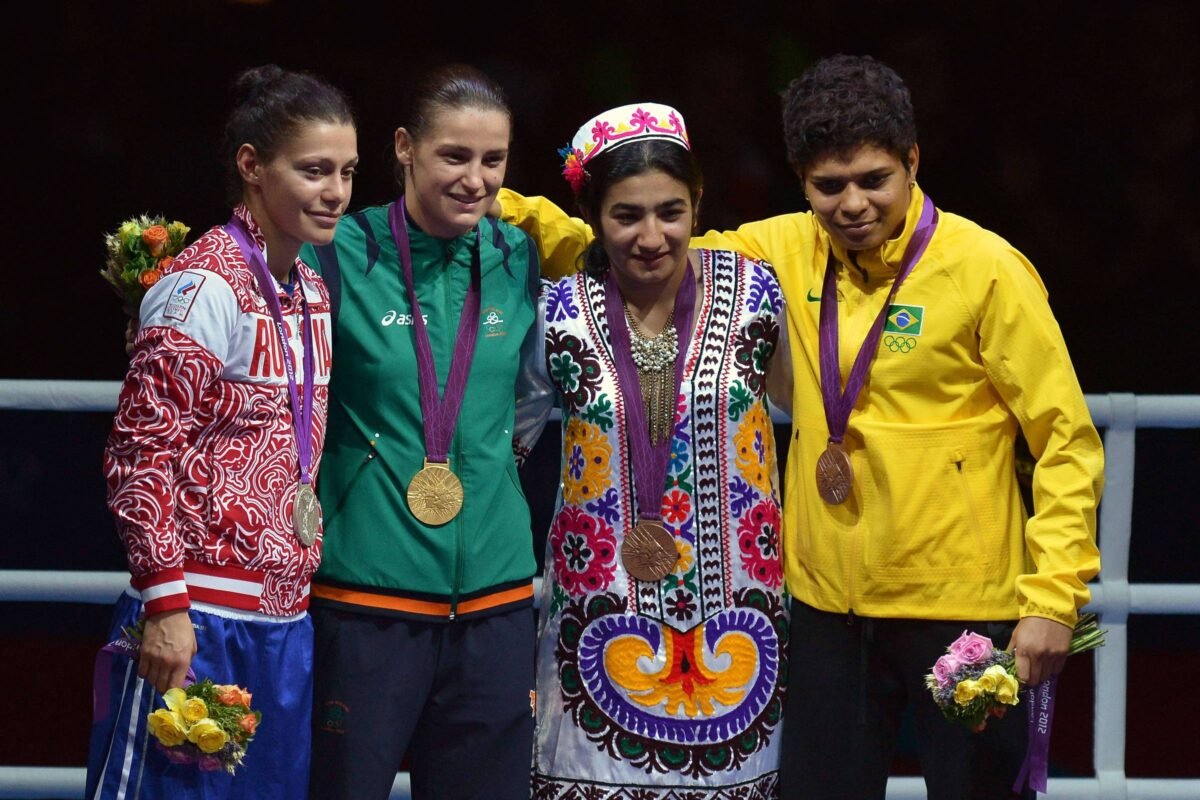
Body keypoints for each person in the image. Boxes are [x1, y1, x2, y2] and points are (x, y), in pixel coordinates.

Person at [498, 55, 1103, 800]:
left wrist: (1053, 600)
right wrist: (484, 199)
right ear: (802, 181)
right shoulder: (779, 252)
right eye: (829, 186)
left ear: (913, 162)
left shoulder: (987, 269)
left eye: (874, 179)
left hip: (964, 609)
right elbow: (642, 247)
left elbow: (1065, 439)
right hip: (825, 614)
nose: (853, 204)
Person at [86, 64, 357, 800]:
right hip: (198, 617)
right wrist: (166, 605)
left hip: (284, 622)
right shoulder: (203, 285)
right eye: (314, 170)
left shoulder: (310, 290)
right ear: (252, 167)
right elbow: (139, 454)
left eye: (346, 172)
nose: (336, 191)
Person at [514, 103, 790, 799]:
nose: (651, 236)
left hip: (742, 616)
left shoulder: (757, 295)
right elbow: (507, 442)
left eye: (671, 212)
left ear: (698, 203)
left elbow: (812, 413)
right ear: (591, 216)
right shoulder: (557, 312)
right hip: (596, 611)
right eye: (626, 216)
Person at [301, 64, 543, 800]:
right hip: (366, 597)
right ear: (405, 148)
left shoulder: (519, 257)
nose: (476, 179)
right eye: (454, 156)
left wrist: (497, 466)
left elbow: (530, 396)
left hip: (496, 601)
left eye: (494, 160)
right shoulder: (336, 253)